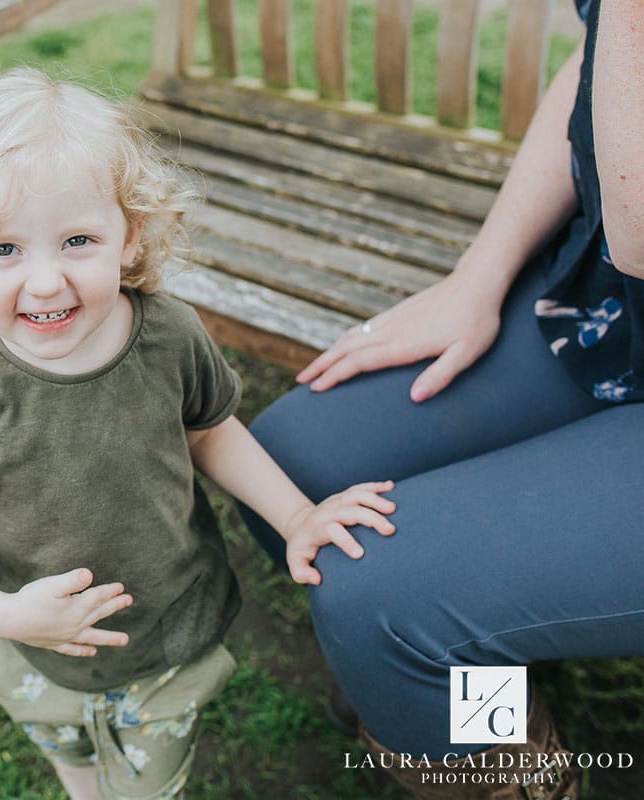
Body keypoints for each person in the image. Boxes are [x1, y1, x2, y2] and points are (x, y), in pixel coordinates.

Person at [0, 67, 396, 800]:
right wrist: (8, 615)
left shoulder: (168, 334)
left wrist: (298, 515)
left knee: (150, 786)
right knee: (68, 749)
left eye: (78, 239)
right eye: (4, 251)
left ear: (131, 235)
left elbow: (210, 432)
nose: (47, 281)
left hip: (165, 633)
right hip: (29, 631)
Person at [234, 0, 644, 797]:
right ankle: (497, 707)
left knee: (376, 597)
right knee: (293, 465)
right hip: (609, 315)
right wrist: (476, 279)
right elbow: (596, 68)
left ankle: (506, 768)